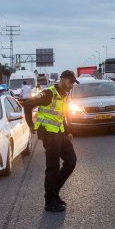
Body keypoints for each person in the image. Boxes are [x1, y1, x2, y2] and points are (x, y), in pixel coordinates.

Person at [22, 70, 79, 212]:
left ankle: (54, 192)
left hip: (60, 133)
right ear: (63, 79)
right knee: (52, 168)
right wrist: (30, 125)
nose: (72, 85)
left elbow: (61, 114)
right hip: (49, 134)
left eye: (73, 83)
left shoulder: (64, 95)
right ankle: (49, 201)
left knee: (71, 161)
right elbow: (28, 105)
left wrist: (68, 131)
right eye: (70, 82)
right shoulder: (48, 93)